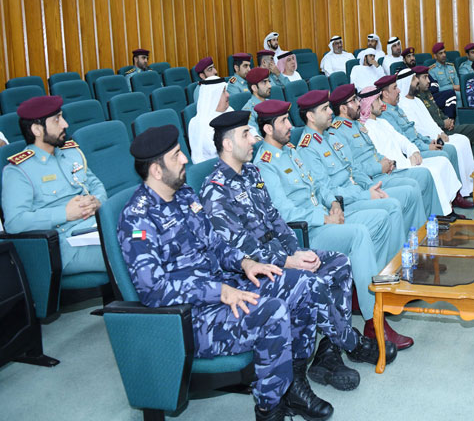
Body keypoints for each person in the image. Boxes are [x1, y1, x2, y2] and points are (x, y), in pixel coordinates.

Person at [118, 125, 332, 421]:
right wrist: (218, 292)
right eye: (177, 155)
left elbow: (216, 244)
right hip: (189, 318)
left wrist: (245, 263)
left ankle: (292, 384)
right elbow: (153, 290)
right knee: (273, 313)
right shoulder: (137, 219)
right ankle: (270, 408)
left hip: (225, 287)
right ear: (156, 170)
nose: (185, 160)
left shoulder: (184, 195)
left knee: (302, 284)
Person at [200, 111, 395, 391]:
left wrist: (296, 251)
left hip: (281, 254)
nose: (253, 139)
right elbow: (240, 247)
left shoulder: (251, 172)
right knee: (309, 280)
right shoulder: (215, 189)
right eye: (246, 134)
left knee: (338, 263)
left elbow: (275, 218)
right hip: (251, 273)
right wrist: (287, 261)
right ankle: (350, 342)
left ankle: (328, 354)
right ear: (228, 144)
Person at [253, 100, 414, 350]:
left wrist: (334, 204)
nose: (290, 125)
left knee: (381, 218)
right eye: (283, 121)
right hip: (304, 232)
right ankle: (374, 321)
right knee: (359, 234)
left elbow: (318, 186)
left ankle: (373, 289)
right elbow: (284, 212)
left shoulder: (290, 150)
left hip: (323, 215)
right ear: (267, 129)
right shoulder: (265, 164)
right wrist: (325, 218)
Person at [294, 90, 421, 241]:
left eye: (329, 107)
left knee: (398, 200)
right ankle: (402, 252)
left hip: (359, 190)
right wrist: (366, 195)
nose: (330, 112)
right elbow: (326, 190)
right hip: (344, 203)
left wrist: (370, 187)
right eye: (325, 109)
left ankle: (413, 244)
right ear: (311, 116)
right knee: (391, 208)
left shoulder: (330, 136)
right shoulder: (307, 149)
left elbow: (352, 169)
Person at [1, 95, 107, 275]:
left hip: (97, 228)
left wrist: (97, 201)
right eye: (57, 119)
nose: (65, 124)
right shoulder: (18, 171)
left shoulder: (71, 152)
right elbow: (14, 222)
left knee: (144, 235)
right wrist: (65, 213)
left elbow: (96, 184)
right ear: (37, 129)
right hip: (64, 245)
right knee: (129, 250)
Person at [328, 83, 443, 217]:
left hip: (382, 173)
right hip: (371, 179)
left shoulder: (356, 124)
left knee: (423, 176)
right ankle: (422, 226)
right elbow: (352, 168)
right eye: (353, 100)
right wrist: (380, 167)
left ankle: (434, 220)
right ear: (343, 108)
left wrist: (387, 161)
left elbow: (373, 151)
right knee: (410, 189)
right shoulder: (337, 133)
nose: (358, 103)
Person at [359, 86, 461, 216]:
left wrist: (414, 152)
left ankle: (447, 208)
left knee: (442, 161)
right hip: (395, 169)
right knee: (430, 172)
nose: (381, 103)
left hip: (406, 162)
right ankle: (441, 214)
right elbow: (384, 159)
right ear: (368, 104)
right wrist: (408, 163)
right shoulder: (366, 129)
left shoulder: (382, 122)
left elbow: (403, 141)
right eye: (378, 100)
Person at [377, 75, 474, 208]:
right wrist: (426, 147)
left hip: (419, 145)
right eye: (395, 88)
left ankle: (455, 195)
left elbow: (413, 131)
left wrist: (429, 141)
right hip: (410, 153)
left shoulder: (396, 108)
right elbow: (403, 140)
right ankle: (451, 199)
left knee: (449, 148)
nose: (399, 90)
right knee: (445, 153)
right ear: (386, 94)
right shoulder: (385, 114)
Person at [398, 67, 474, 182]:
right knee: (453, 148)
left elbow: (430, 121)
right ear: (406, 83)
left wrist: (441, 132)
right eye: (414, 79)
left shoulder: (417, 100)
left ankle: (468, 183)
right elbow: (417, 129)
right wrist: (436, 136)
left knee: (463, 140)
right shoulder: (402, 104)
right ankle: (459, 186)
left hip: (437, 135)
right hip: (429, 140)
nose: (417, 81)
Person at [406, 65, 474, 163]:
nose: (428, 81)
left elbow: (438, 111)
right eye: (424, 77)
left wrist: (448, 120)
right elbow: (426, 123)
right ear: (416, 79)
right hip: (438, 134)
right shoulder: (416, 98)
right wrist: (443, 124)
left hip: (446, 129)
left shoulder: (427, 92)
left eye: (428, 77)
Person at [188, 77, 231, 163]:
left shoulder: (229, 110)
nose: (228, 95)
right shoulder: (199, 124)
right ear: (213, 96)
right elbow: (215, 154)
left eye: (226, 91)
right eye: (223, 92)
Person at [242, 67, 272, 136]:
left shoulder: (271, 103)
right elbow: (256, 138)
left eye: (269, 81)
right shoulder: (248, 111)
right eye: (264, 82)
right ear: (254, 88)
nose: (269, 86)